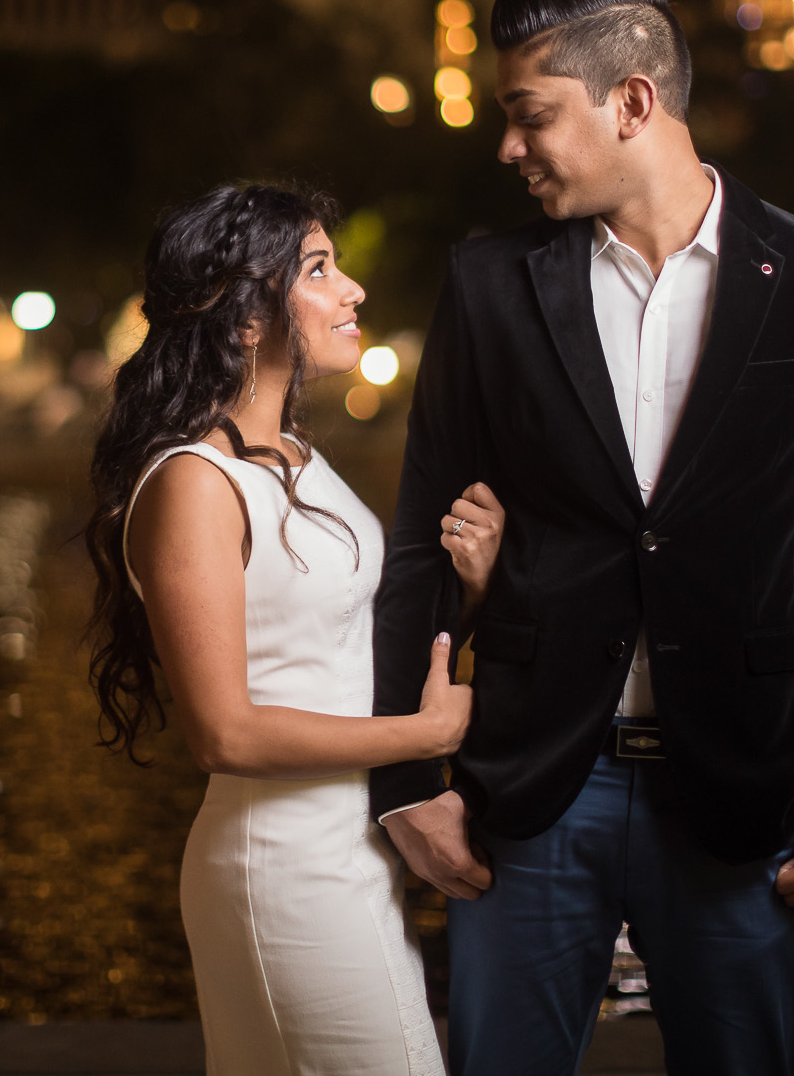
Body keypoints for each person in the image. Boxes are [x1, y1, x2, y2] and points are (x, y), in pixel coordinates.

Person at [371, 0, 794, 1075]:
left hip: (739, 784)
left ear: (629, 102)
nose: (507, 150)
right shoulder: (486, 282)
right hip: (527, 788)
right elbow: (422, 536)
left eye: (529, 118)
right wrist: (405, 782)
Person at [85, 184, 502, 1076]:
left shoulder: (296, 456)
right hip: (282, 865)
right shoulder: (195, 483)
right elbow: (222, 731)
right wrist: (425, 735)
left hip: (350, 849)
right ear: (243, 318)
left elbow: (334, 643)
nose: (351, 290)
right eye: (318, 269)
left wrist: (467, 594)